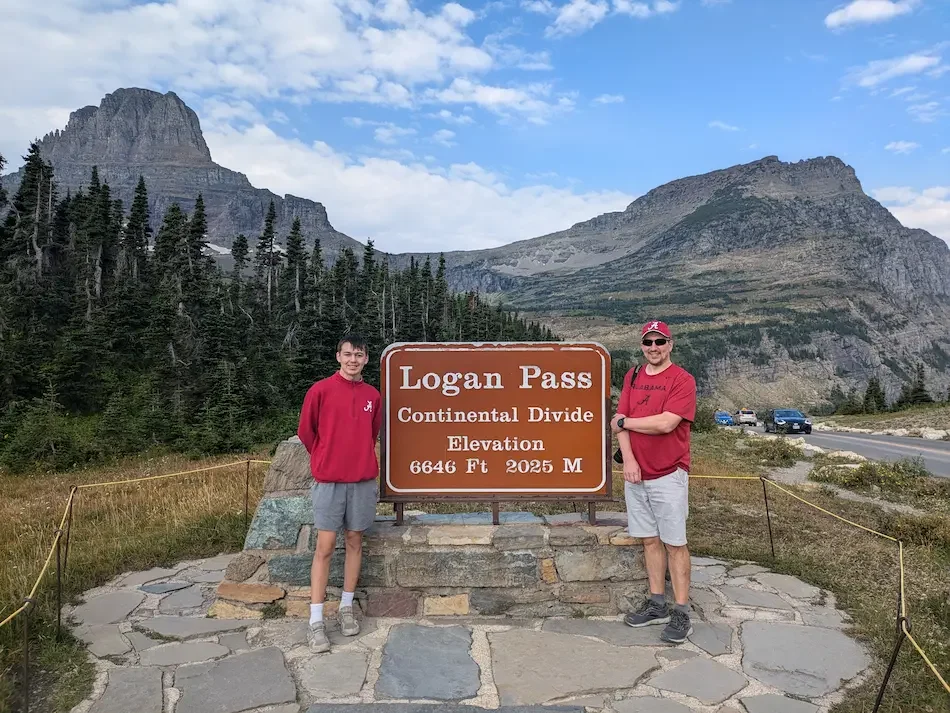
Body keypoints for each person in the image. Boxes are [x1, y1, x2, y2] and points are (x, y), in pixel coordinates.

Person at [611, 320, 697, 644]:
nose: (654, 348)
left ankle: (681, 612)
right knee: (649, 540)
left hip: (669, 474)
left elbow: (666, 423)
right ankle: (657, 602)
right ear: (642, 346)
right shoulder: (632, 376)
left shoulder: (682, 380)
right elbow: (617, 426)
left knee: (675, 543)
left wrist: (627, 422)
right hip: (637, 474)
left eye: (660, 341)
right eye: (648, 342)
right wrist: (629, 461)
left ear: (670, 345)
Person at [297, 334, 382, 654]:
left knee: (355, 541)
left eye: (358, 355)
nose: (353, 360)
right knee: (325, 546)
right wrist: (324, 458)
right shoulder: (320, 390)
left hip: (361, 481)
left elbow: (372, 432)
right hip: (329, 481)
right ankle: (316, 620)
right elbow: (307, 431)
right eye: (347, 354)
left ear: (366, 359)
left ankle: (346, 608)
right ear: (338, 357)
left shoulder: (373, 395)